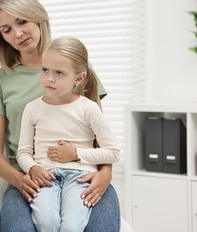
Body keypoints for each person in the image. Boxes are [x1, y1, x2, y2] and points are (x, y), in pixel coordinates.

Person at [0, 0, 121, 232]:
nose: (18, 33)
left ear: (37, 16)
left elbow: (102, 140)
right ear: (0, 36)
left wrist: (105, 174)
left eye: (22, 21)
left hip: (83, 176)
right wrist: (21, 179)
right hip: (28, 178)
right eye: (7, 29)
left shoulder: (75, 65)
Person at [16, 36, 121, 232]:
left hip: (80, 177)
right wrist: (33, 168)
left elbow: (114, 152)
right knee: (46, 223)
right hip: (45, 177)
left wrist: (76, 154)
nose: (50, 78)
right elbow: (23, 152)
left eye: (60, 73)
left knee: (72, 227)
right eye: (45, 70)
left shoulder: (88, 108)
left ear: (78, 78)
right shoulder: (32, 109)